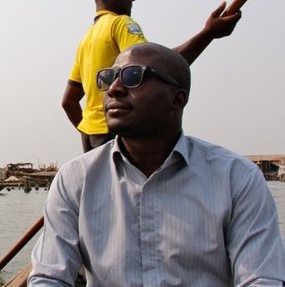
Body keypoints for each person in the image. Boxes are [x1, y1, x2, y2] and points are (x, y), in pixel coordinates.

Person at [29, 43, 285, 286]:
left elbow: (261, 278)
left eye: (133, 76)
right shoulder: (74, 179)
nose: (114, 89)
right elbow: (49, 277)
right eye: (108, 78)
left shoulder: (237, 179)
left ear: (177, 98)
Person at [62, 0, 241, 153]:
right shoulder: (120, 24)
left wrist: (91, 131)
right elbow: (159, 67)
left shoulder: (86, 40)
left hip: (91, 137)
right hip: (118, 131)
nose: (133, 1)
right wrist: (208, 33)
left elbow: (68, 102)